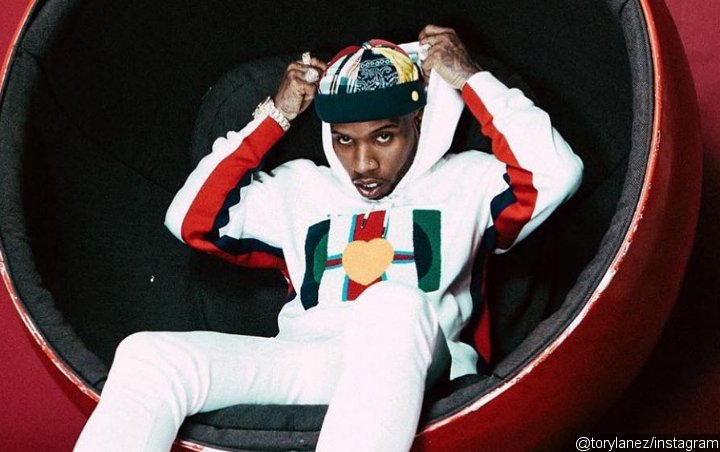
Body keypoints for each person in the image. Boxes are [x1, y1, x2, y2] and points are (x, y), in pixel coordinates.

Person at [74, 24, 583, 452]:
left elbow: (556, 172)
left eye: (384, 136)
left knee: (390, 304)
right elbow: (190, 218)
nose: (363, 163)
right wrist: (274, 116)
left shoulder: (468, 180)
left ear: (418, 120)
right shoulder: (300, 187)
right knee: (148, 355)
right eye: (345, 140)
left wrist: (469, 78)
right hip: (309, 358)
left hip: (415, 357)